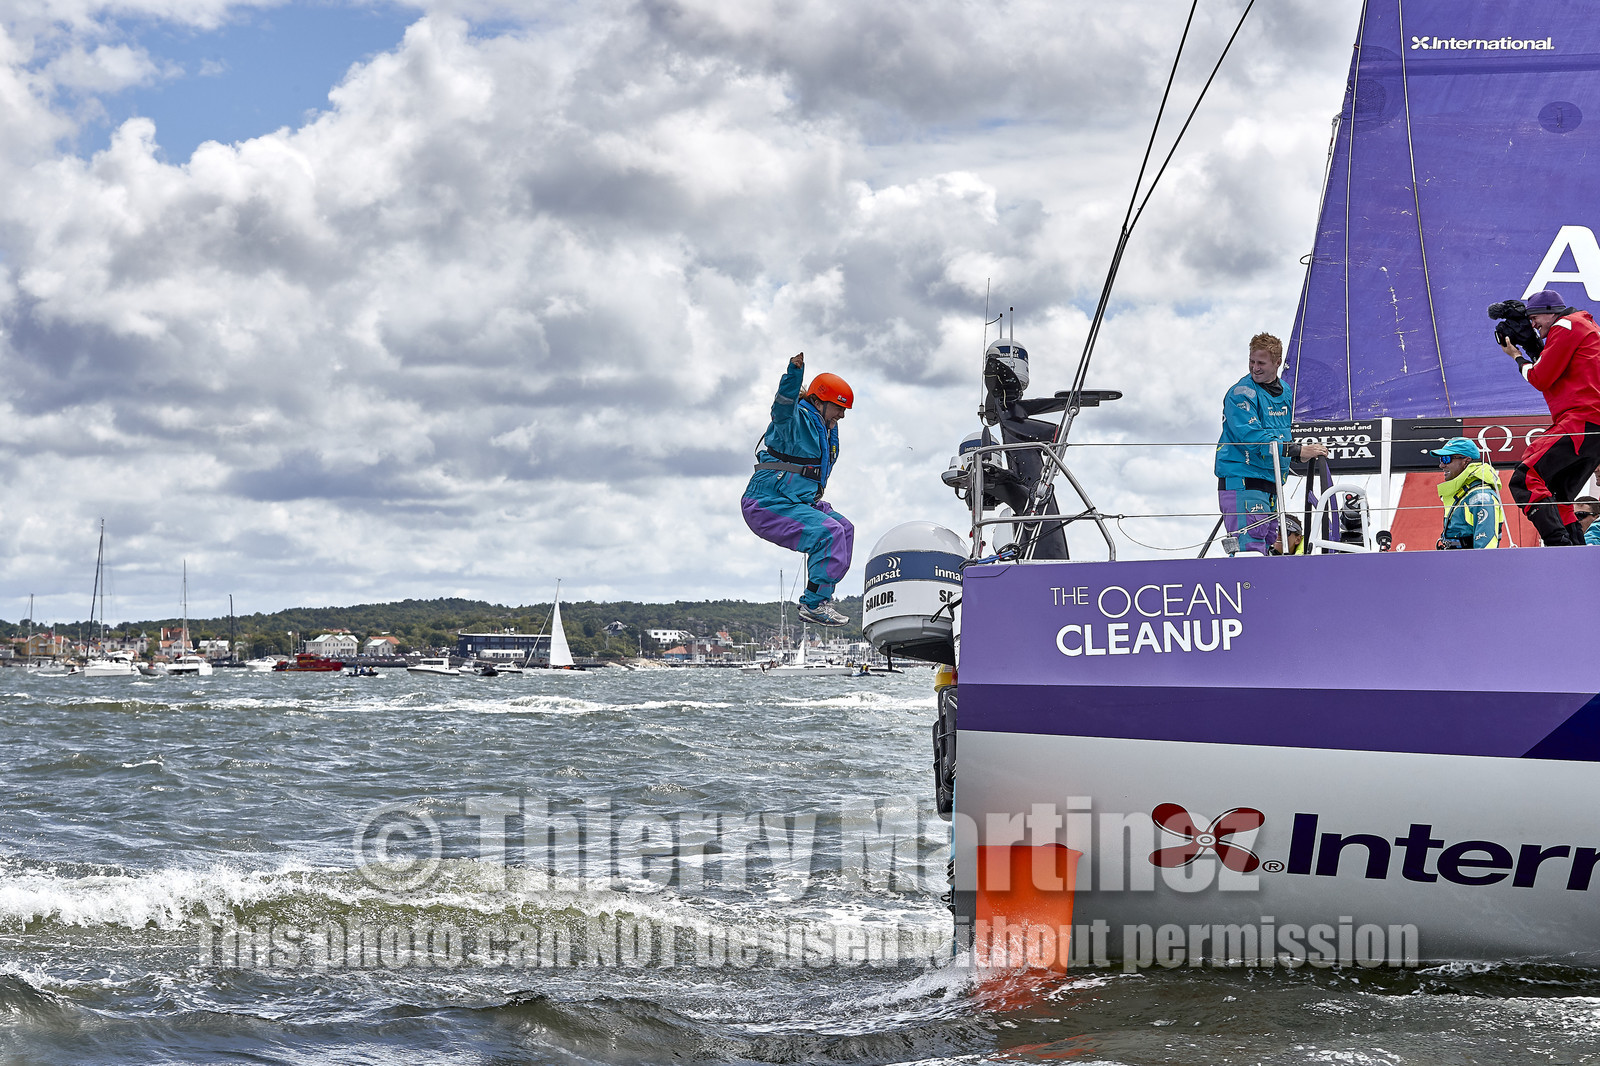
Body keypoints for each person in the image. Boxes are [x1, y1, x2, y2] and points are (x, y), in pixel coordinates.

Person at [741, 352, 855, 627]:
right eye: (838, 408)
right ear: (819, 401)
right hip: (767, 502)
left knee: (844, 529)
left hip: (798, 501)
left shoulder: (826, 429)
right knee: (829, 533)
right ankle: (813, 604)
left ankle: (821, 598)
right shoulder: (792, 421)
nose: (841, 415)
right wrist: (794, 374)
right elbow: (782, 407)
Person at [1501, 288, 1600, 545]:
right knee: (1558, 492)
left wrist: (1516, 357)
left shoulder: (1566, 325)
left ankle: (1558, 546)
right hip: (1592, 425)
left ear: (1550, 313)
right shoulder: (1581, 325)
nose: (1532, 324)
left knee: (1525, 478)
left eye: (1534, 317)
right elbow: (1557, 370)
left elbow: (1541, 377)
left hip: (1581, 420)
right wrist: (1536, 350)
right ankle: (1575, 550)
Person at [1215, 332, 1328, 554]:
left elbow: (1282, 433)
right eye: (1252, 361)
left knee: (1269, 546)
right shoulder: (1240, 393)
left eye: (1261, 363)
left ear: (1277, 363)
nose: (1255, 368)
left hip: (1272, 481)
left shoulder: (1286, 391)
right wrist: (1296, 450)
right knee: (1249, 548)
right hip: (1244, 479)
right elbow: (1252, 437)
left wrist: (1297, 454)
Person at [1431, 437, 1505, 549]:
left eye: (1446, 459)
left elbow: (1486, 549)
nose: (1441, 465)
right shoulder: (1466, 493)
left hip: (1467, 564)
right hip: (1457, 562)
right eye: (1441, 459)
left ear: (1466, 460)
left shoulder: (1481, 497)